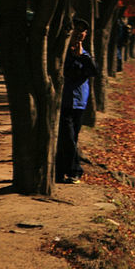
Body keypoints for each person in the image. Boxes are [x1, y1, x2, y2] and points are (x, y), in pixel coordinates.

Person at [57, 20, 98, 184]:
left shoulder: (85, 54)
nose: (79, 35)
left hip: (80, 102)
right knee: (67, 137)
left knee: (72, 137)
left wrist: (81, 56)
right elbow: (69, 72)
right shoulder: (62, 53)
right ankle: (75, 171)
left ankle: (61, 172)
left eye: (82, 33)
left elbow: (93, 71)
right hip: (65, 100)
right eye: (76, 32)